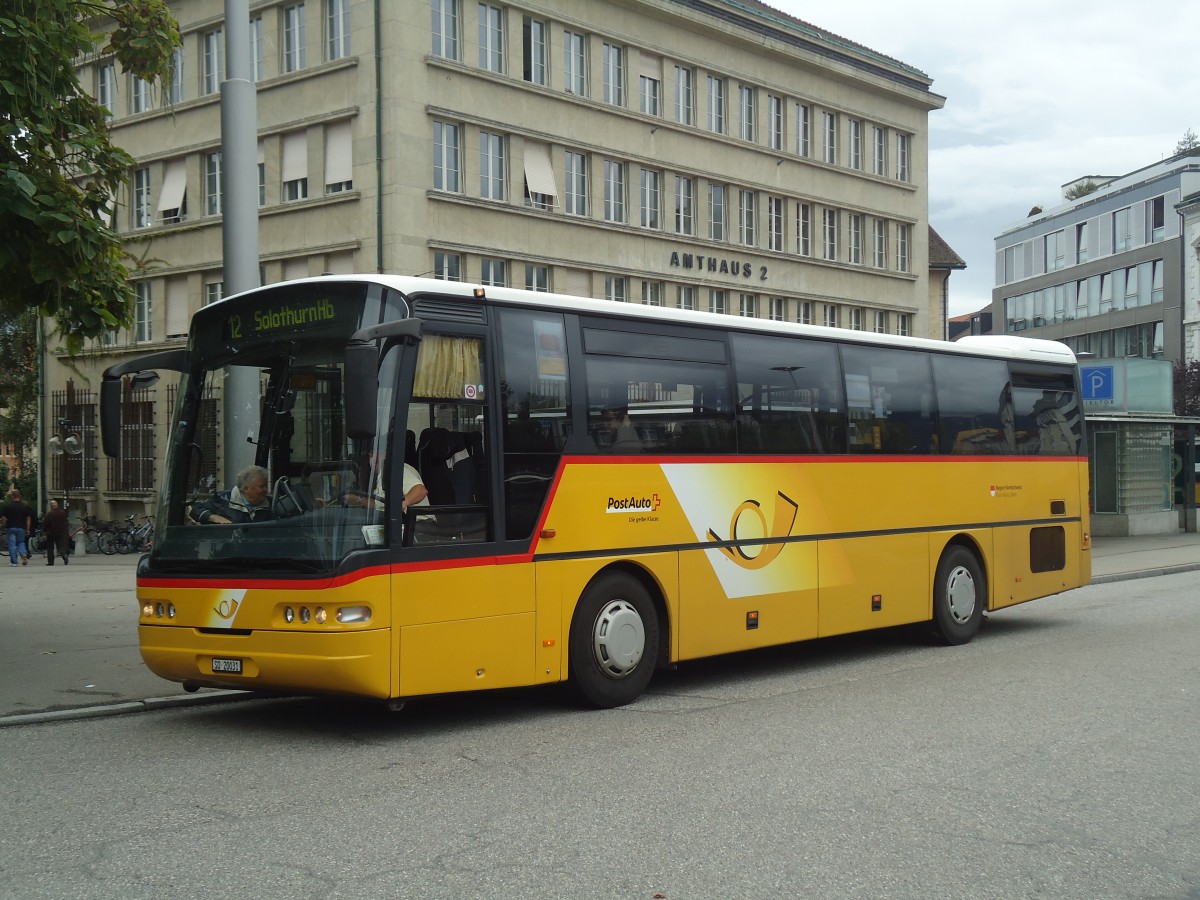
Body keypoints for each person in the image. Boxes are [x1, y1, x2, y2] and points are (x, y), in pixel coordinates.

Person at [190, 465, 273, 524]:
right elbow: (195, 510)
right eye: (262, 486)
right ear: (246, 489)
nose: (266, 490)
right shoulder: (222, 499)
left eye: (266, 485)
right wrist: (212, 517)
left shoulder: (272, 504)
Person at [2, 489, 33, 566]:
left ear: (12, 496)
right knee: (21, 542)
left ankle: (14, 562)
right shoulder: (24, 506)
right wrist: (28, 529)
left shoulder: (8, 506)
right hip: (21, 528)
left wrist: (4, 525)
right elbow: (28, 519)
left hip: (11, 527)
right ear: (19, 495)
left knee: (12, 545)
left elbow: (3, 518)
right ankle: (23, 553)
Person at [42, 498, 70, 566]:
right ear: (57, 505)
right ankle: (64, 555)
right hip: (60, 532)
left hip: (50, 533)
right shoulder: (62, 512)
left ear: (51, 506)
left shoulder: (49, 514)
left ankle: (51, 562)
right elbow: (65, 522)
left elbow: (46, 523)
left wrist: (44, 530)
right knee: (60, 546)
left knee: (50, 548)